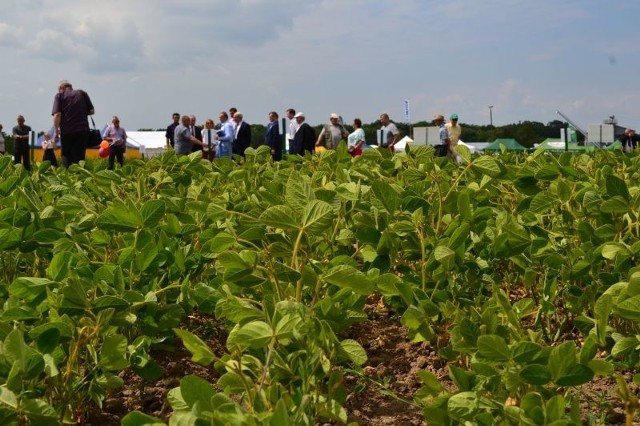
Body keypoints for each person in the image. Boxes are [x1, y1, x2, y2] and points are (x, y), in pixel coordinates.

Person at [52, 80, 95, 167]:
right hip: (82, 130)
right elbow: (92, 111)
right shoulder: (82, 93)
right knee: (79, 157)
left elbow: (57, 114)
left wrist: (56, 132)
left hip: (66, 131)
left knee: (66, 154)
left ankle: (67, 176)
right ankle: (78, 177)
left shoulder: (59, 96)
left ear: (61, 88)